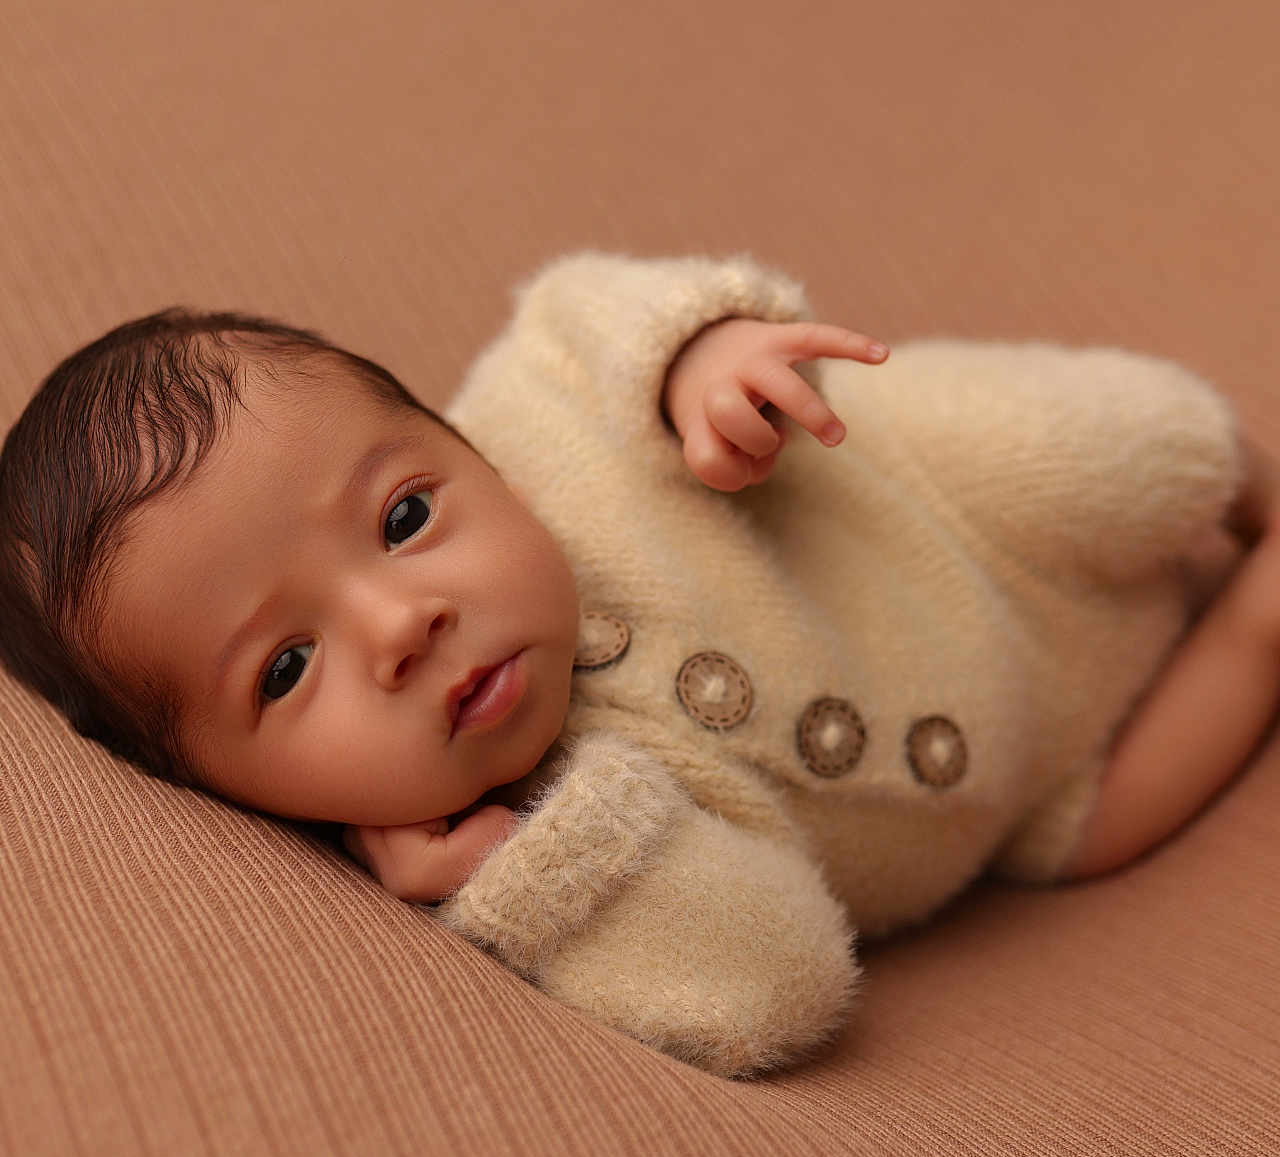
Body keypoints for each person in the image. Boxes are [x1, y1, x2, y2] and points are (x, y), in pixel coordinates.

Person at [0, 253, 1274, 1072]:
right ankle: (1257, 625)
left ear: (465, 446)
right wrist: (538, 874)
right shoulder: (558, 836)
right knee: (1092, 828)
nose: (399, 626)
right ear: (228, 791)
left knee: (1125, 447)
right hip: (1028, 788)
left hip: (954, 511)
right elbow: (780, 979)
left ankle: (1251, 484)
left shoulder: (547, 422)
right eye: (284, 668)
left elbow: (566, 319)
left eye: (402, 519)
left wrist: (693, 358)